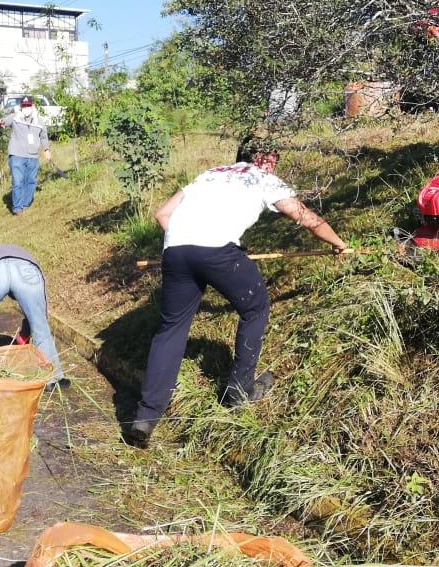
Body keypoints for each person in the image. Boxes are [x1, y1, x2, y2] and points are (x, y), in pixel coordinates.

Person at [127, 139, 351, 448]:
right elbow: (304, 216)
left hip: (176, 251)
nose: (275, 164)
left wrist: (191, 242)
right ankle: (240, 390)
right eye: (273, 158)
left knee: (171, 331)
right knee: (256, 308)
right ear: (260, 158)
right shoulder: (262, 178)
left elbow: (162, 214)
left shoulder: (210, 173)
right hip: (218, 253)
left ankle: (145, 417)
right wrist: (338, 243)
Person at [0, 245, 69, 390]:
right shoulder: (23, 254)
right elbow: (37, 317)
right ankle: (52, 379)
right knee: (40, 325)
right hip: (26, 270)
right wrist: (28, 333)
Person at [0, 98, 51, 215]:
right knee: (18, 182)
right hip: (17, 156)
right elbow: (4, 121)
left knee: (31, 182)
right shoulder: (15, 117)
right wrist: (1, 122)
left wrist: (47, 149)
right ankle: (17, 208)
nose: (26, 108)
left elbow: (43, 136)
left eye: (28, 105)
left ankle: (26, 204)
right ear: (21, 107)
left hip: (33, 157)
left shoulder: (39, 121)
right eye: (24, 106)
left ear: (32, 106)